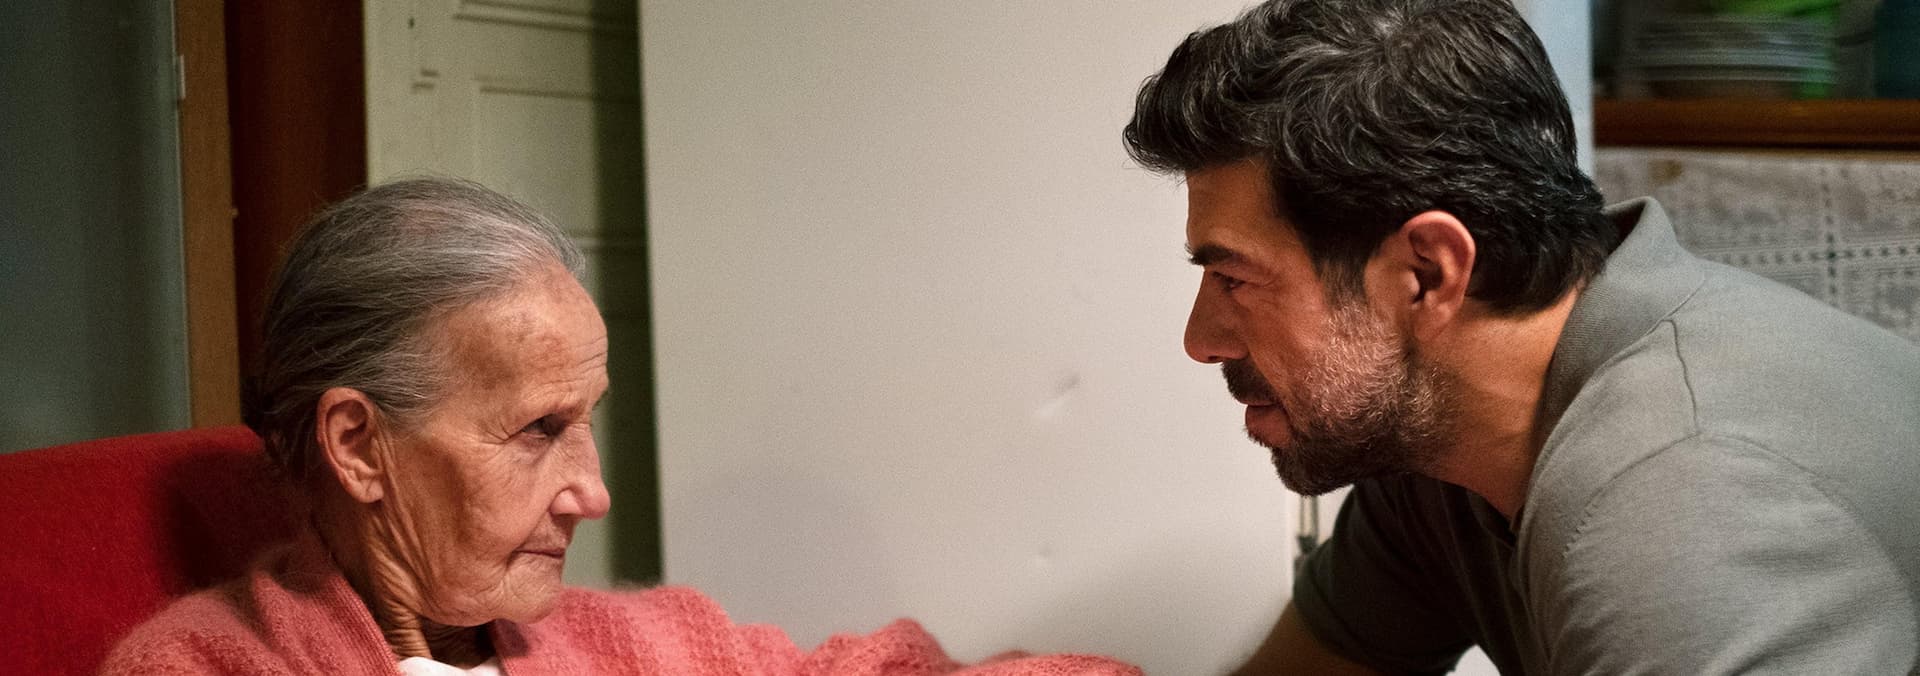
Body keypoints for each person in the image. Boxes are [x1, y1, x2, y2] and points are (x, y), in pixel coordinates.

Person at [1124, 0, 1920, 673]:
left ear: (1428, 274)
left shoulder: (1684, 508)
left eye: (1235, 279)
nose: (1203, 340)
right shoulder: (1438, 447)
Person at [100, 178, 1137, 676]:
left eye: (585, 420)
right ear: (358, 446)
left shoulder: (633, 645)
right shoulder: (200, 668)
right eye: (537, 429)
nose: (592, 492)